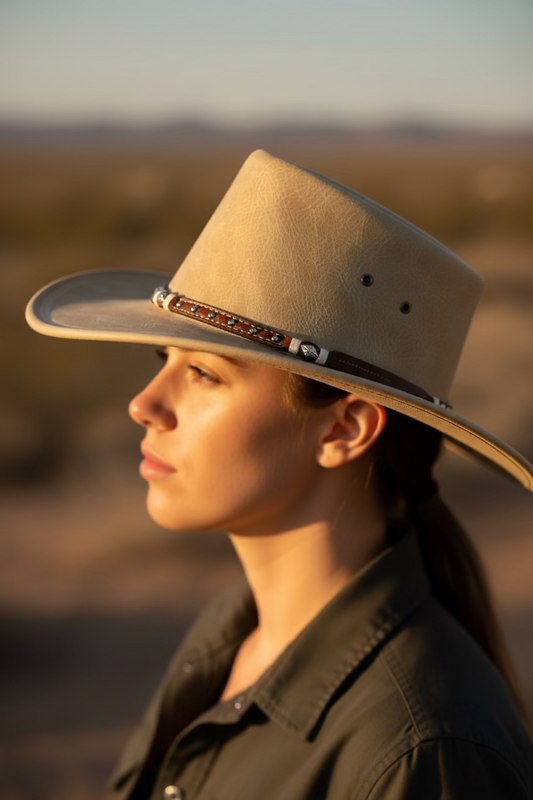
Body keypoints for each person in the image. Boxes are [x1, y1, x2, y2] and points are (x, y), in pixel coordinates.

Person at [26, 149, 533, 799]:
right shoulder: (229, 636)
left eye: (204, 374)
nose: (144, 403)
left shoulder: (420, 752)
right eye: (163, 357)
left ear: (342, 429)